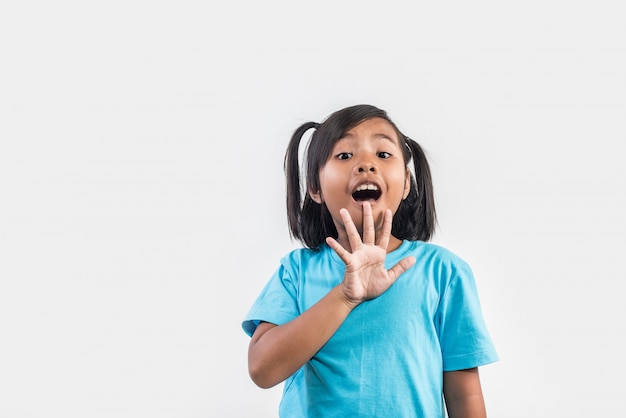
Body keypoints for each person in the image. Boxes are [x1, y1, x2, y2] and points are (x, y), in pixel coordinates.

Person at [242, 104, 498, 417]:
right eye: (345, 155)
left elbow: (464, 395)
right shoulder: (296, 271)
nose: (366, 165)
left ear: (406, 183)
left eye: (383, 154)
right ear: (315, 187)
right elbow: (262, 370)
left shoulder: (443, 272)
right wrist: (344, 296)